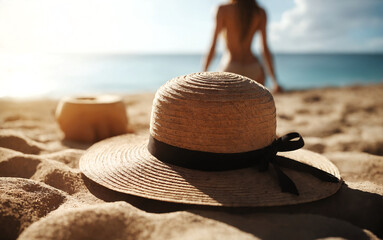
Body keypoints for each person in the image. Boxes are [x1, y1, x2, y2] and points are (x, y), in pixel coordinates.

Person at [203, 0, 283, 93]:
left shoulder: (223, 10)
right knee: (256, 106)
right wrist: (274, 81)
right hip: (254, 68)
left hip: (231, 67)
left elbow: (213, 45)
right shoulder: (260, 12)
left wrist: (203, 73)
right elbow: (264, 48)